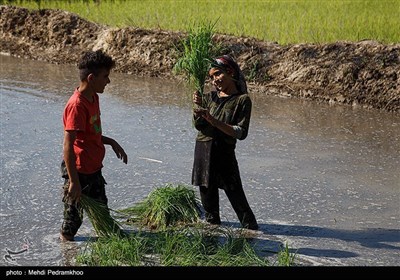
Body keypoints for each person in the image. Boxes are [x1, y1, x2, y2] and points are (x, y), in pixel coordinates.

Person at [60, 49, 128, 241]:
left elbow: (91, 134)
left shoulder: (93, 97)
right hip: (79, 171)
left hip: (93, 168)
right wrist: (73, 182)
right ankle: (68, 259)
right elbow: (68, 145)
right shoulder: (76, 105)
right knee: (72, 223)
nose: (108, 81)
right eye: (105, 76)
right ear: (91, 78)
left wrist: (111, 142)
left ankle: (109, 245)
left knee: (102, 213)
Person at [191, 54, 258, 230]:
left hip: (224, 154)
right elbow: (198, 126)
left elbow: (240, 132)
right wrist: (197, 108)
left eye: (218, 74)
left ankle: (252, 236)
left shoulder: (242, 100)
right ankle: (211, 240)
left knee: (239, 202)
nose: (214, 80)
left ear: (230, 72)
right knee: (210, 212)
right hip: (203, 151)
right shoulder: (209, 97)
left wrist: (213, 120)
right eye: (212, 77)